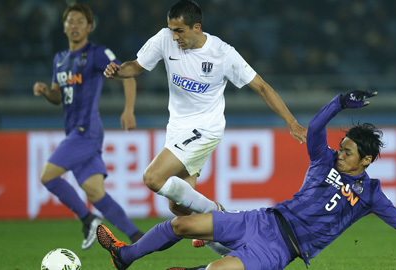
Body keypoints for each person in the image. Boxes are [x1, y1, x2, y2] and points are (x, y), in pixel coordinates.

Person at [95, 90, 396, 270]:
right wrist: (339, 102)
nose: (340, 153)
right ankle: (124, 256)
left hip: (280, 250)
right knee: (181, 224)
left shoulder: (372, 194)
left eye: (348, 151)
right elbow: (314, 128)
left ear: (367, 160)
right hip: (263, 219)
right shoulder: (322, 158)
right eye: (341, 147)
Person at [103, 0, 305, 220]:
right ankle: (226, 236)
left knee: (152, 177)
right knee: (179, 208)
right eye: (172, 30)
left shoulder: (222, 54)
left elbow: (262, 87)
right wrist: (119, 71)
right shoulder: (164, 39)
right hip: (177, 128)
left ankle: (219, 213)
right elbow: (136, 66)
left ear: (196, 28)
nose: (174, 37)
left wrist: (291, 122)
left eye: (179, 31)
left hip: (205, 129)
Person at [32, 3, 144, 250]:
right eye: (70, 21)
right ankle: (138, 237)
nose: (74, 25)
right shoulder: (59, 59)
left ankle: (88, 219)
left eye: (80, 21)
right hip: (74, 132)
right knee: (95, 193)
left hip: (87, 131)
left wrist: (128, 109)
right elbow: (58, 97)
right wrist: (45, 92)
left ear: (89, 27)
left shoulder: (97, 53)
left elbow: (127, 74)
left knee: (47, 176)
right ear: (63, 26)